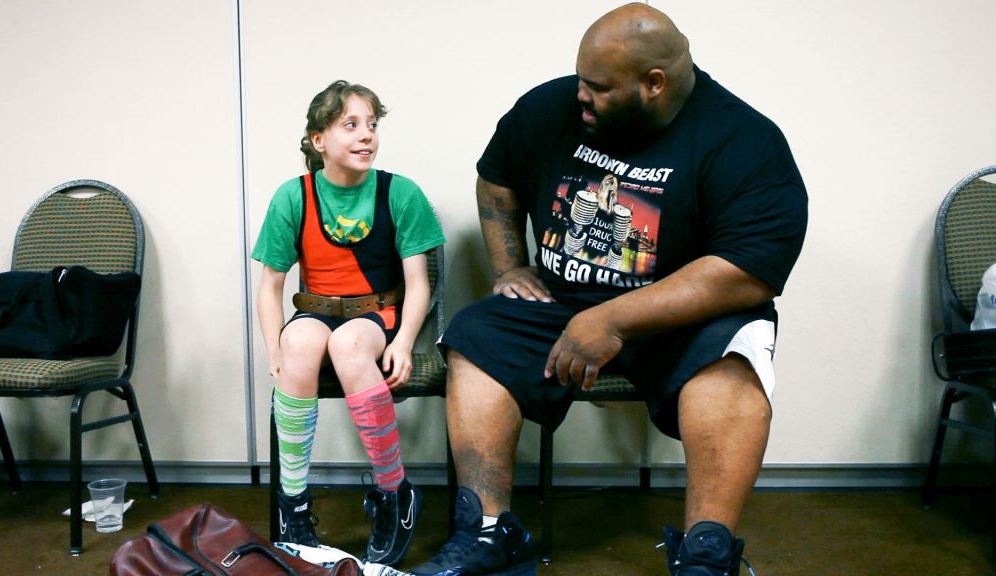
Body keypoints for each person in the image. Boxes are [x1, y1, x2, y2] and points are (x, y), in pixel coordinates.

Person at [412, 4, 807, 576]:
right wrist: (509, 268)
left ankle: (707, 553)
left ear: (653, 84)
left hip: (683, 317)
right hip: (563, 303)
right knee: (475, 333)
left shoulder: (743, 139)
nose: (581, 96)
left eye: (597, 88)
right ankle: (489, 531)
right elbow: (496, 177)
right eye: (580, 80)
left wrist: (615, 320)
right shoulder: (549, 108)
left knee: (736, 352)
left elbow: (748, 269)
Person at [252, 80, 446, 567]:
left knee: (349, 346)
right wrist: (274, 351)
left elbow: (419, 284)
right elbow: (270, 286)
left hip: (376, 312)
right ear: (319, 140)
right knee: (296, 345)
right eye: (351, 125)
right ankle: (292, 505)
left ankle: (392, 491)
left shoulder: (400, 192)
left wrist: (404, 341)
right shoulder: (292, 196)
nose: (367, 137)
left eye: (372, 125)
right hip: (315, 307)